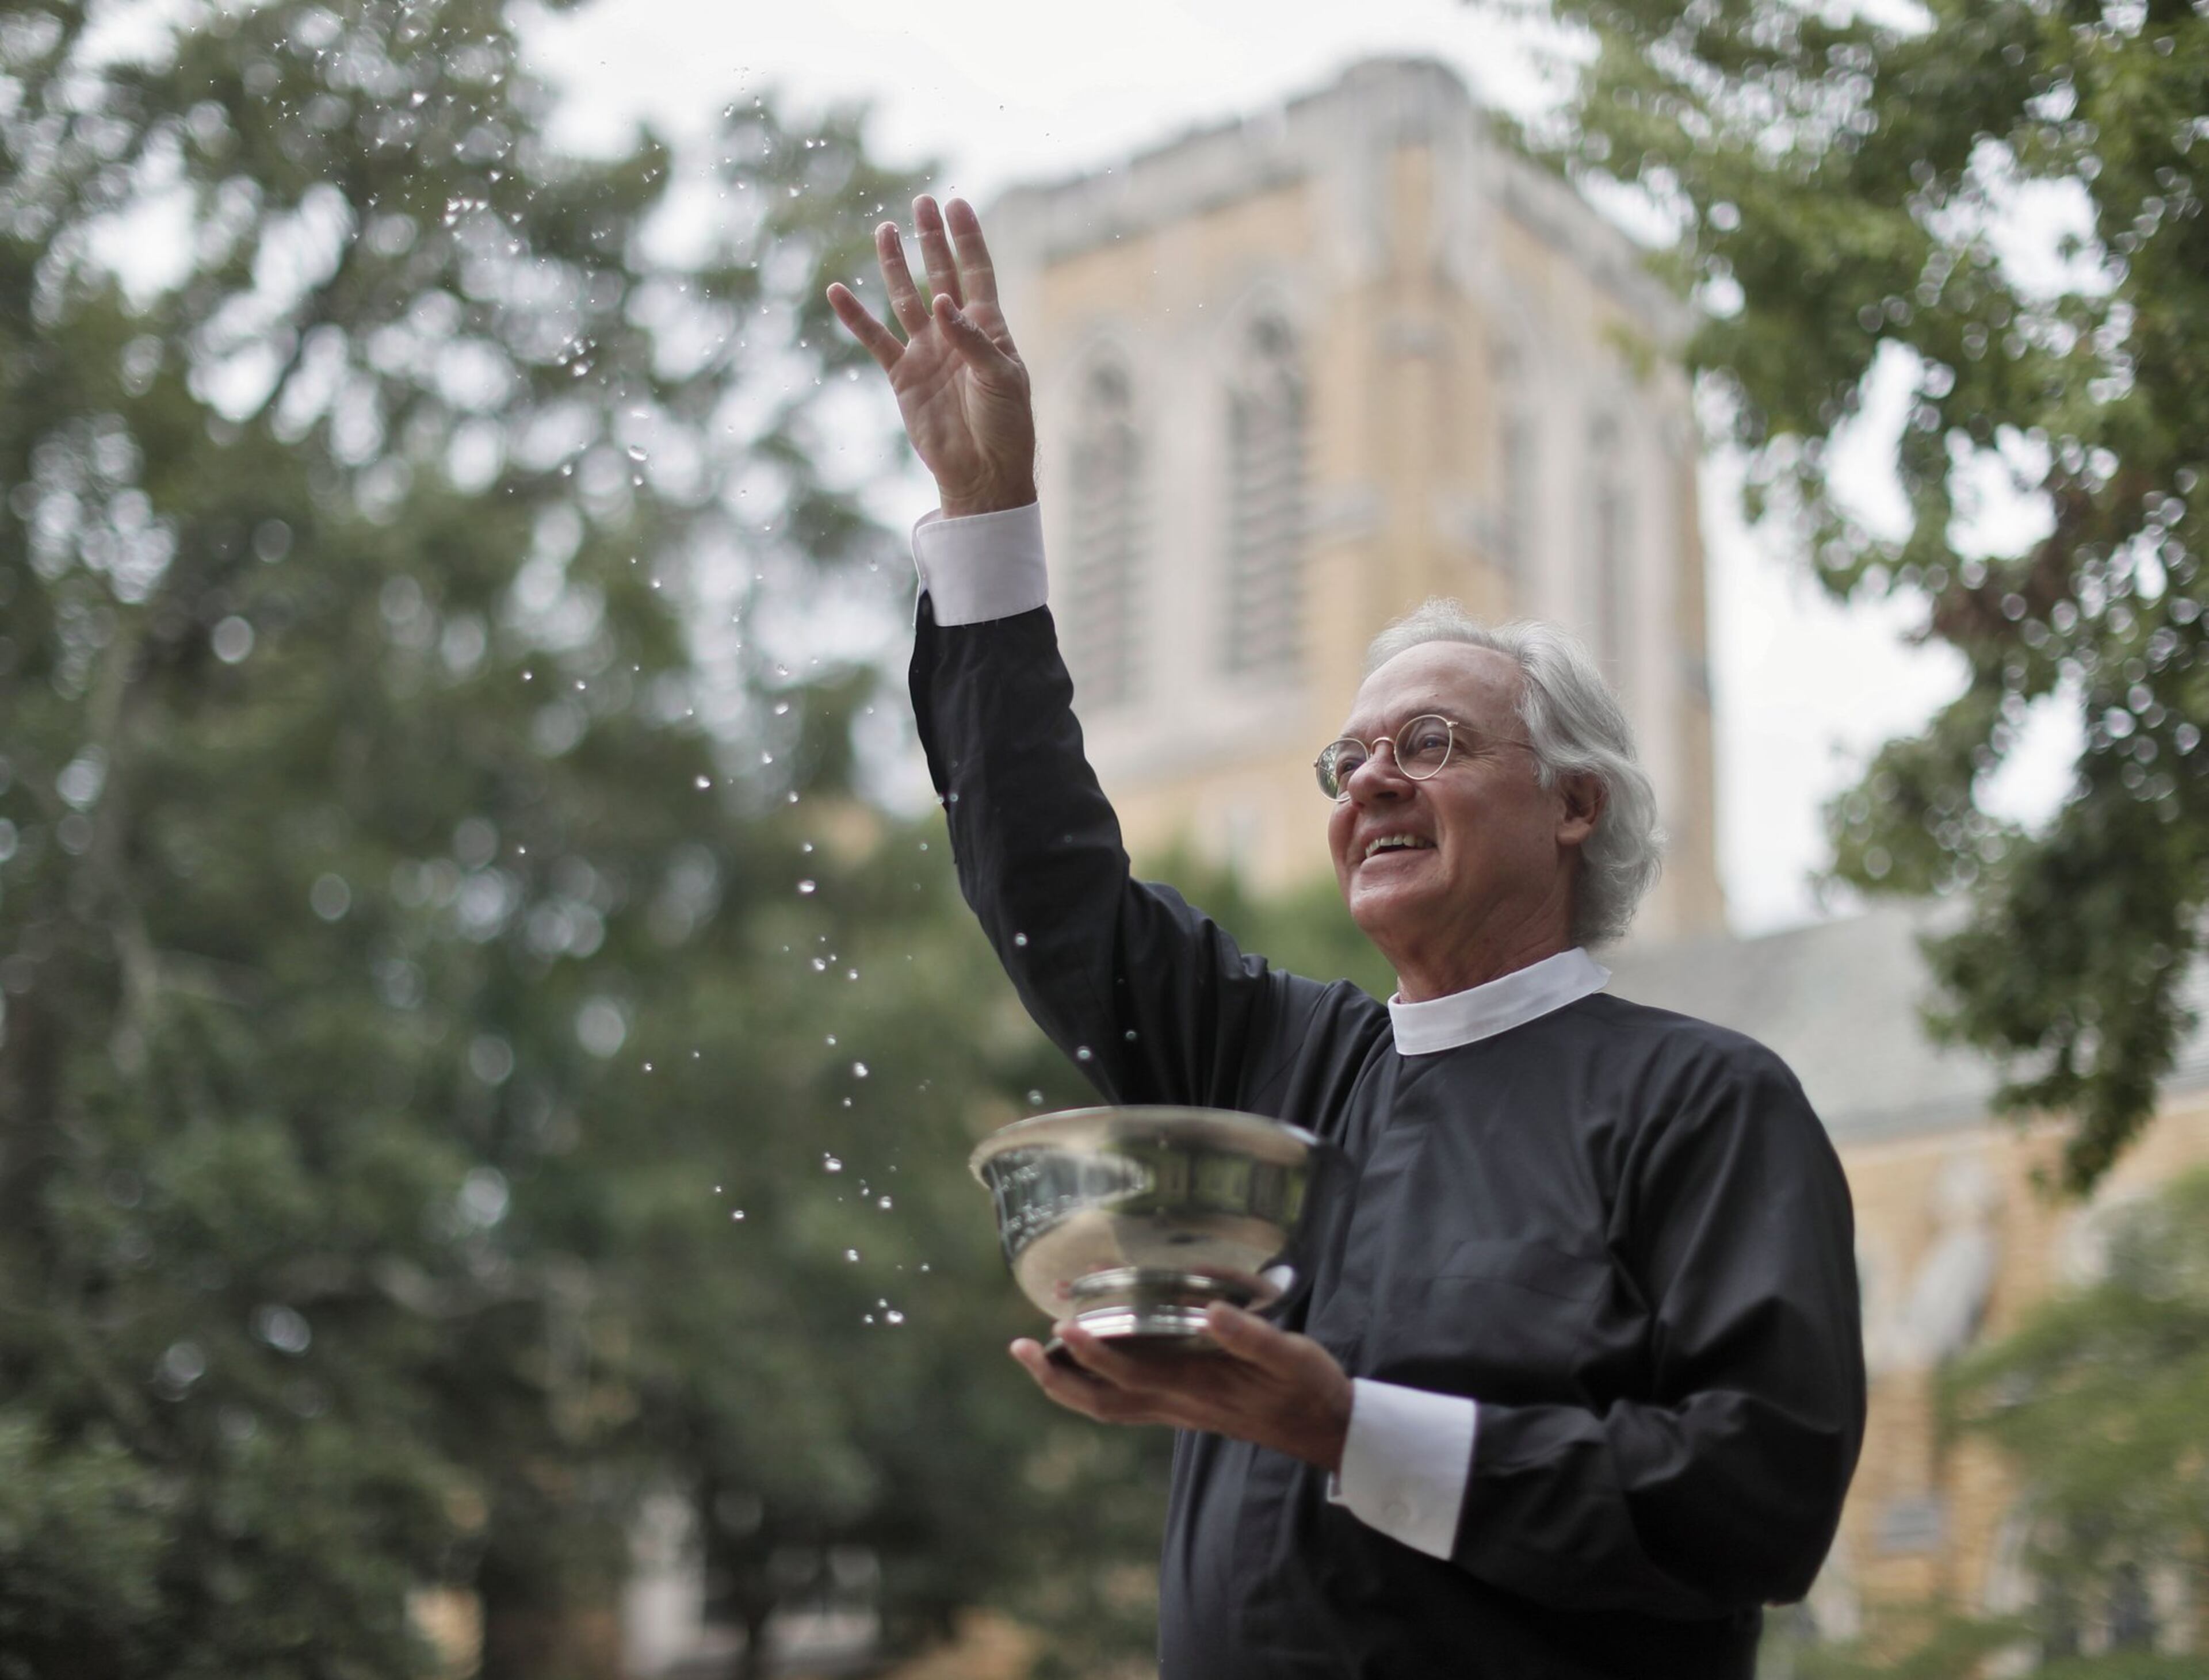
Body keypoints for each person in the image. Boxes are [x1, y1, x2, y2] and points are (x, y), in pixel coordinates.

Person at [830, 194, 1864, 1680]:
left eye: (1429, 741)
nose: (1370, 777)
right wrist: (988, 509)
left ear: (1574, 805)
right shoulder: (1280, 1060)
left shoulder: (1701, 1103)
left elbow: (1751, 1499)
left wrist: (1343, 1426)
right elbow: (1049, 886)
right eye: (1348, 757)